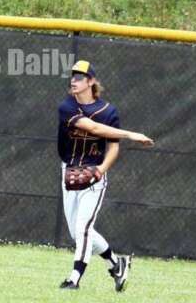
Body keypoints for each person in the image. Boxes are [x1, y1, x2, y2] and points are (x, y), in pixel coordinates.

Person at [57, 60, 154, 292]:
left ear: (91, 81)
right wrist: (132, 134)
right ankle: (116, 263)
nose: (74, 80)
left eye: (80, 77)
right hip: (69, 172)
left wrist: (100, 171)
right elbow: (94, 129)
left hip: (94, 175)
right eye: (73, 76)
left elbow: (113, 148)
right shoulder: (67, 106)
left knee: (83, 229)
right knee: (78, 232)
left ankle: (74, 279)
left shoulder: (109, 111)